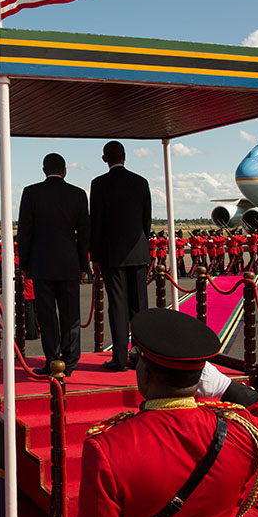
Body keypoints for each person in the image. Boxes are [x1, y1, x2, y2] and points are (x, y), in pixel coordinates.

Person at [73, 308, 258, 517]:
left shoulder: (108, 448)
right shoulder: (240, 433)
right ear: (202, 375)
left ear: (146, 374)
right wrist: (228, 387)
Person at [18, 153, 90, 376]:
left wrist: (25, 263)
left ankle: (52, 359)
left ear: (43, 170)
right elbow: (84, 233)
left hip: (41, 263)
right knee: (71, 315)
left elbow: (25, 232)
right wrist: (82, 265)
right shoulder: (77, 194)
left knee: (47, 316)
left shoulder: (31, 193)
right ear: (65, 170)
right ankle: (69, 360)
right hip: (69, 263)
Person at [90, 140, 152, 372]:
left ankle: (119, 358)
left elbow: (96, 222)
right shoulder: (140, 182)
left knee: (117, 305)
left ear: (105, 159)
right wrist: (141, 244)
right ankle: (142, 355)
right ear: (124, 156)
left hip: (111, 254)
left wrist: (95, 255)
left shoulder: (99, 184)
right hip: (138, 251)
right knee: (140, 306)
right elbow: (146, 220)